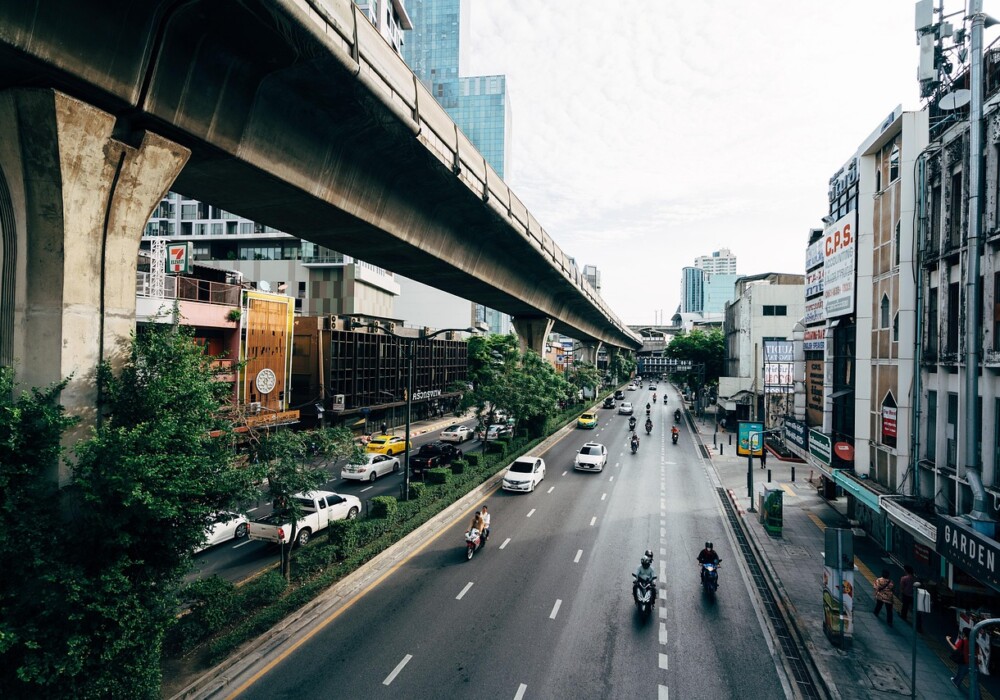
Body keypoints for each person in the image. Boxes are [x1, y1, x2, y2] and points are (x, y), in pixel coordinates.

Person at [899, 565, 921, 631]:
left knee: (905, 606)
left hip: (906, 595)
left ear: (906, 570)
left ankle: (903, 616)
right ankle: (918, 624)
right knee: (916, 610)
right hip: (914, 596)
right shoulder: (915, 579)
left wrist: (900, 594)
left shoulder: (904, 578)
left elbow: (902, 588)